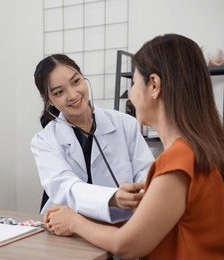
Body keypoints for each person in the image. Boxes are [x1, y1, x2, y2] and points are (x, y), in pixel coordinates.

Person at [45, 34, 224, 259]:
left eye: (134, 82)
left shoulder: (178, 160)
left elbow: (127, 245)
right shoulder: (206, 148)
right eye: (58, 92)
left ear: (154, 85)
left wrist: (75, 222)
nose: (132, 95)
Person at [30, 54, 154, 224]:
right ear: (48, 100)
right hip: (67, 227)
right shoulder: (44, 141)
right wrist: (113, 198)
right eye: (59, 92)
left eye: (75, 82)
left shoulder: (125, 124)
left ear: (83, 78)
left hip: (122, 222)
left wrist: (138, 198)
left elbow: (146, 174)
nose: (73, 95)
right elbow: (65, 187)